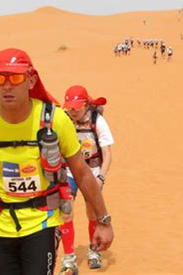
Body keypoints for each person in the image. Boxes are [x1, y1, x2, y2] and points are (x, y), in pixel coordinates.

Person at [0, 48, 114, 275]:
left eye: (15, 78)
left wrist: (103, 220)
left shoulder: (55, 120)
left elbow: (83, 174)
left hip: (42, 223)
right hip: (0, 227)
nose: (7, 85)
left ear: (31, 80)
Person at [61, 85, 114, 271]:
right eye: (69, 106)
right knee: (65, 212)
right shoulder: (64, 120)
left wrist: (101, 176)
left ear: (86, 104)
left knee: (92, 214)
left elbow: (107, 154)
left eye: (76, 106)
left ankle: (94, 251)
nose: (73, 110)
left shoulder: (97, 121)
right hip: (69, 173)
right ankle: (68, 257)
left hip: (92, 173)